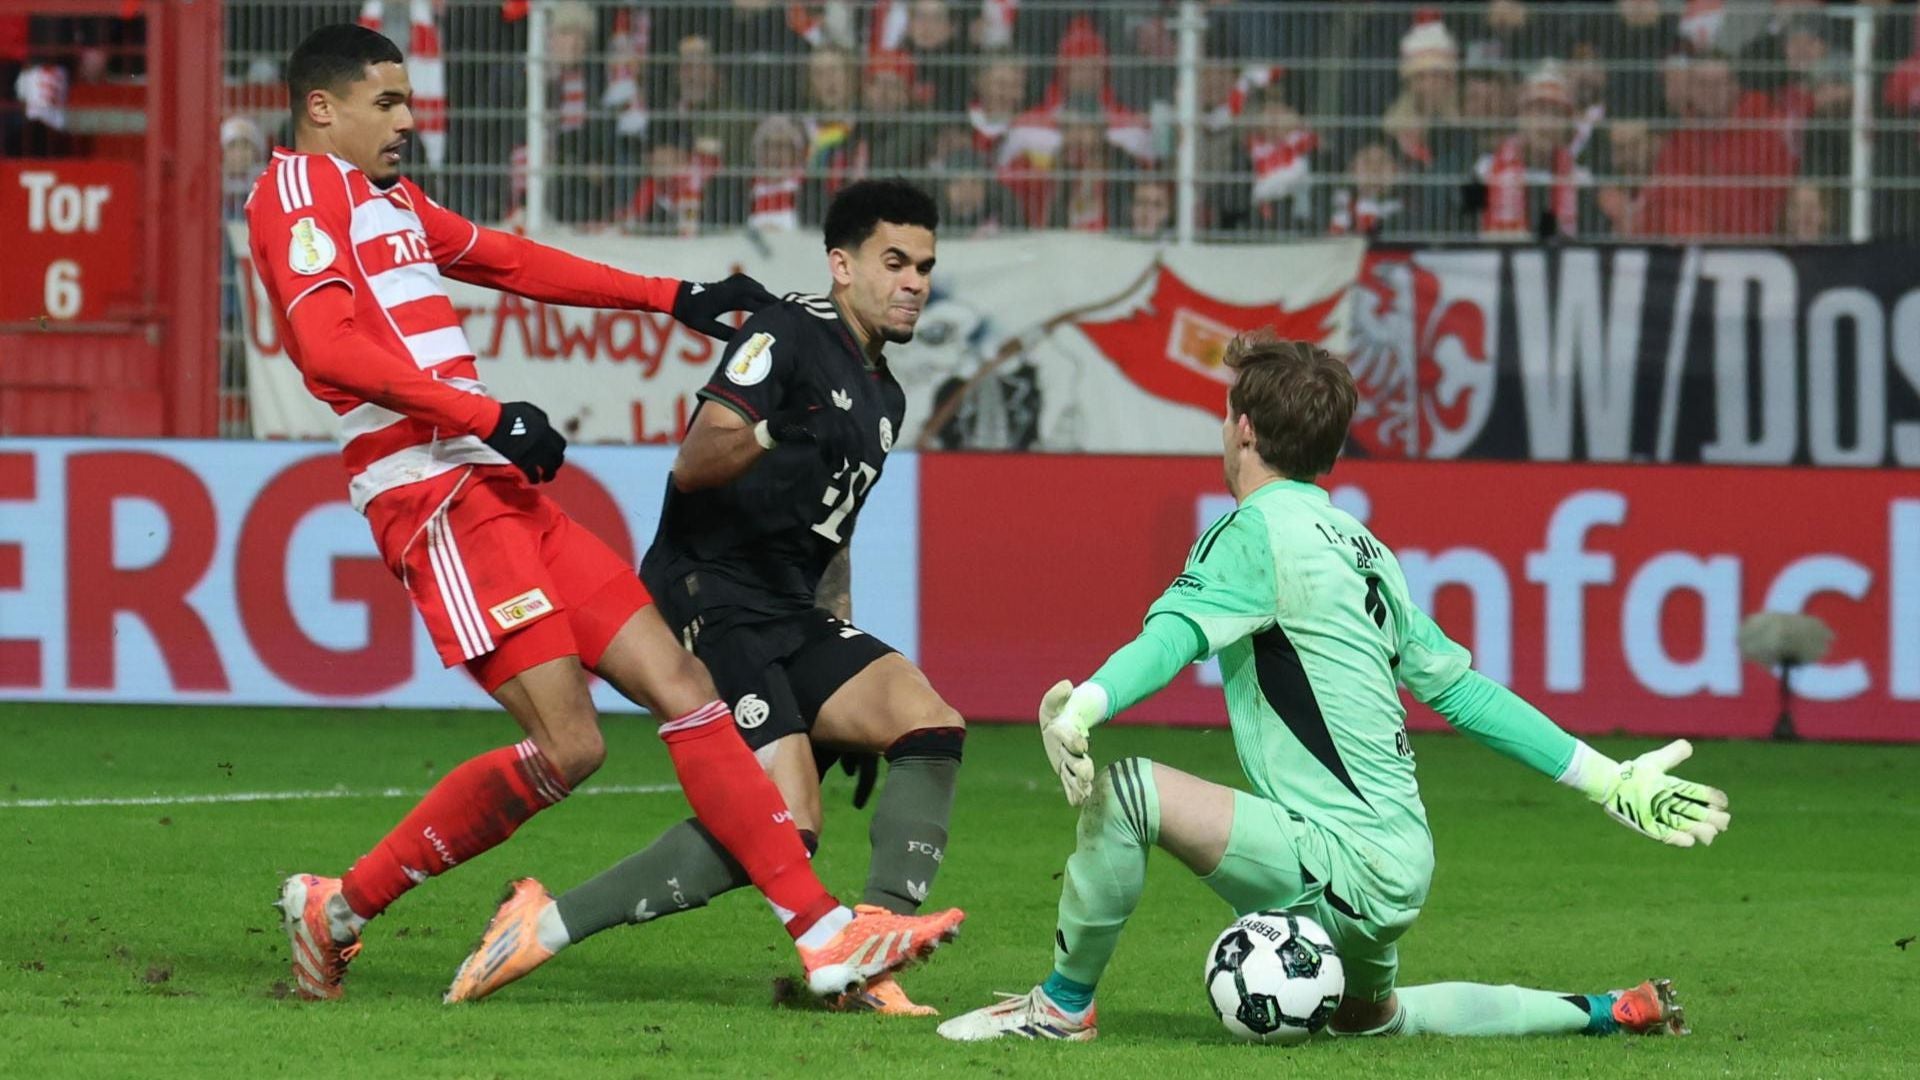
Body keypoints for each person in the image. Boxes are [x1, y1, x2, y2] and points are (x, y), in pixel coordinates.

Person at [249, 24, 963, 1003]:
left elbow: (509, 260)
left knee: (681, 683)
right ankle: (336, 909)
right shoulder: (294, 195)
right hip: (430, 489)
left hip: (492, 479)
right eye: (389, 103)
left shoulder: (391, 200)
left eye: (411, 100)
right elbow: (327, 353)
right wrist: (488, 414)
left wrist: (676, 296)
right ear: (321, 108)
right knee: (571, 744)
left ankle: (826, 936)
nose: (411, 120)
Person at [935, 330, 1731, 1042]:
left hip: (1339, 857)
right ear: (1331, 451)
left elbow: (1173, 638)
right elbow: (1464, 694)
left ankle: (1060, 1009)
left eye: (1226, 414)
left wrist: (1088, 704)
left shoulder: (1254, 531)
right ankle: (1606, 1011)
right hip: (1401, 859)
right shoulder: (1365, 549)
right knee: (1381, 1019)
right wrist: (1608, 778)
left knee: (1130, 795)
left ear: (1243, 428)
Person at [445, 180, 967, 1017]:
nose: (913, 281)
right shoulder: (787, 332)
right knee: (787, 822)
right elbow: (695, 460)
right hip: (707, 594)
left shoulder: (885, 395)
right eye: (894, 262)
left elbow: (830, 537)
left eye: (925, 267)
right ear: (841, 265)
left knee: (927, 721)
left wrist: (836, 666)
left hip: (791, 607)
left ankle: (870, 955)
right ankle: (546, 927)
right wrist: (773, 428)